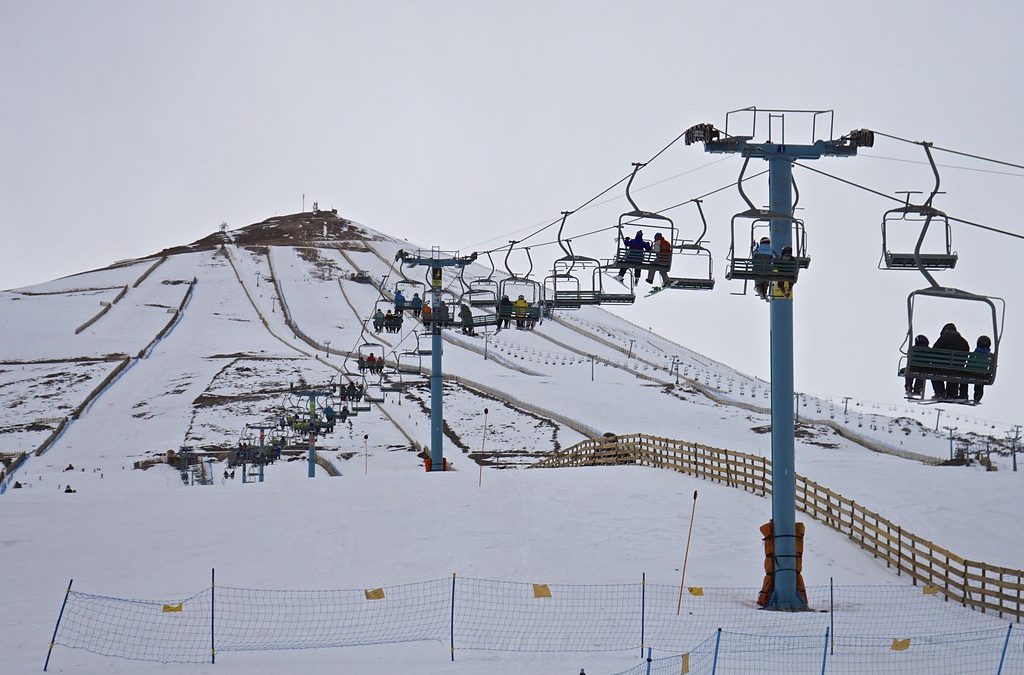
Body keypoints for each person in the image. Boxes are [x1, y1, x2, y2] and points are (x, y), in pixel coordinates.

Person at [932, 322, 970, 400]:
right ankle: (952, 394)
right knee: (956, 370)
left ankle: (940, 392)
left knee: (933, 369)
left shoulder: (943, 339)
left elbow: (933, 352)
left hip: (941, 369)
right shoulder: (964, 342)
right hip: (957, 370)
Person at [971, 335, 992, 403]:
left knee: (964, 380)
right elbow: (990, 366)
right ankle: (977, 397)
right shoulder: (989, 356)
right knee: (979, 384)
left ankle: (963, 394)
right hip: (982, 375)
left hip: (972, 373)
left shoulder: (975, 354)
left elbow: (969, 362)